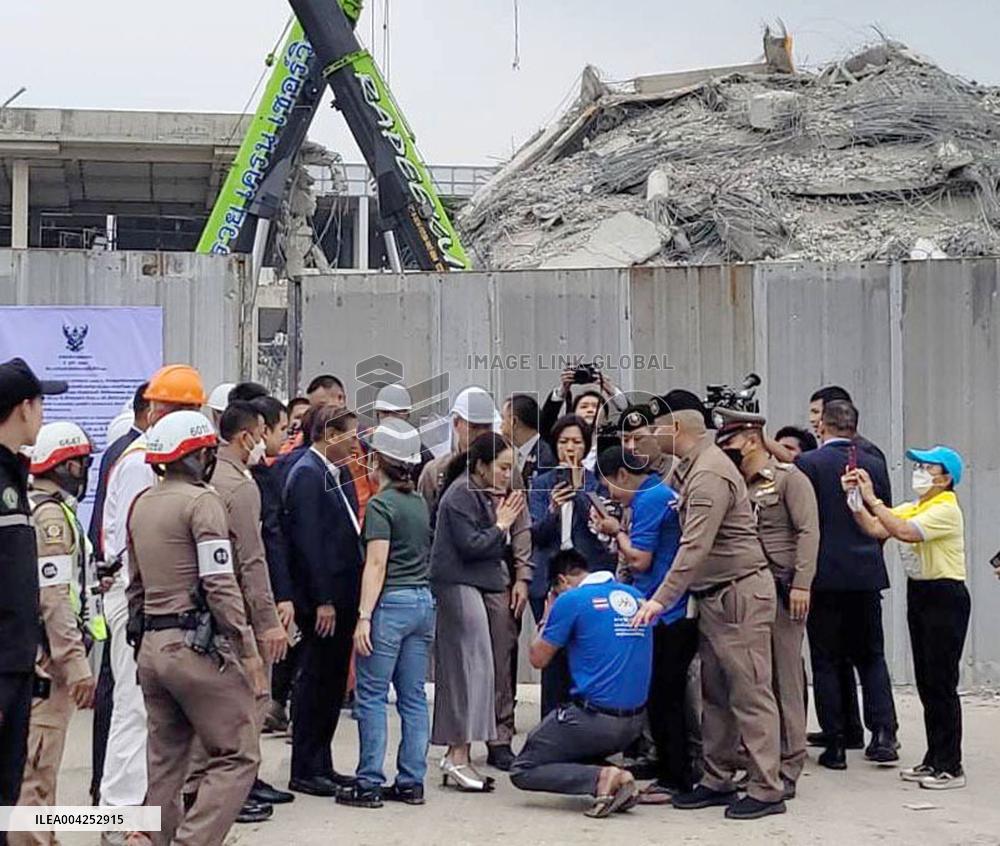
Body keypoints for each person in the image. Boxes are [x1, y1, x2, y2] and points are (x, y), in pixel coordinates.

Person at [633, 408, 785, 821]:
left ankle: (767, 787)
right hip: (716, 595)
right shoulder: (689, 468)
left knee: (750, 691)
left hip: (739, 593)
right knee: (715, 693)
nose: (652, 433)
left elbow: (694, 547)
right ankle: (718, 778)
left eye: (658, 427)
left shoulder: (709, 476)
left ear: (678, 430)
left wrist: (659, 600)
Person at [126, 410, 266, 846]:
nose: (210, 459)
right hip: (195, 649)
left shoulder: (142, 505)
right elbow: (220, 583)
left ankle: (152, 839)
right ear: (194, 455)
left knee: (166, 762)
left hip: (152, 646)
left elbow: (135, 587)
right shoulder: (202, 502)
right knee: (239, 752)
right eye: (206, 452)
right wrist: (248, 652)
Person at [99, 364, 207, 841]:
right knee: (134, 708)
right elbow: (143, 544)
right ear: (161, 410)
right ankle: (119, 817)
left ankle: (138, 815)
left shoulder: (145, 456)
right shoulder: (146, 462)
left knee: (148, 711)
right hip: (136, 595)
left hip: (139, 594)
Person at [184, 401, 291, 821]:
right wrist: (266, 623)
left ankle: (208, 791)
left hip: (202, 611)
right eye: (263, 432)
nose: (265, 442)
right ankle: (224, 795)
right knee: (243, 708)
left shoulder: (208, 477)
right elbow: (251, 559)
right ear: (246, 436)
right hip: (235, 612)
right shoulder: (240, 486)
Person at [844, 445, 970, 790]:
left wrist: (873, 498)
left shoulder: (946, 509)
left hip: (946, 594)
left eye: (928, 468)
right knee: (927, 681)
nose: (920, 471)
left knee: (942, 683)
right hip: (921, 594)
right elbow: (875, 527)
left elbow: (902, 531)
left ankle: (950, 765)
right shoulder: (917, 505)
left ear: (945, 478)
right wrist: (856, 498)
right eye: (918, 465)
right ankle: (933, 758)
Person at [715, 409, 819, 799]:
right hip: (745, 589)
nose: (727, 449)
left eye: (732, 441)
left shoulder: (789, 479)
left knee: (784, 678)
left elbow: (809, 531)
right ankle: (762, 761)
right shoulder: (735, 483)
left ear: (752, 438)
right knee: (753, 679)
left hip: (783, 588)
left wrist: (803, 584)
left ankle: (790, 761)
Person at [795, 400, 898, 769]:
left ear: (823, 426)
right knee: (871, 655)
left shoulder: (808, 464)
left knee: (825, 659)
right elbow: (885, 514)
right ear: (854, 425)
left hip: (823, 575)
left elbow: (801, 520)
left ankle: (835, 743)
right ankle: (883, 732)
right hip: (866, 573)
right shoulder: (873, 463)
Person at [509, 549, 648, 818]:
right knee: (564, 746)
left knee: (524, 767)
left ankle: (602, 777)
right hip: (635, 723)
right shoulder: (635, 596)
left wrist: (549, 614)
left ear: (562, 581)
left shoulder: (571, 600)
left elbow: (537, 658)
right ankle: (618, 777)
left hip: (593, 720)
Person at [340, 420, 435, 808]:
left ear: (378, 459)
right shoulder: (417, 503)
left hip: (391, 605)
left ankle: (369, 783)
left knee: (373, 695)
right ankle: (412, 781)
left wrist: (364, 616)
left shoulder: (381, 504)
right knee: (413, 696)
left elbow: (376, 564)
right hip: (422, 604)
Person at [10, 422, 96, 846]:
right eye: (80, 464)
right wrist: (75, 664)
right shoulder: (51, 519)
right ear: (64, 465)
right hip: (48, 666)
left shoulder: (46, 510)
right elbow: (54, 597)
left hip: (44, 659)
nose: (84, 472)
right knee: (34, 776)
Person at [593, 446, 694, 803]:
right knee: (665, 696)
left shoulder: (650, 499)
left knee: (665, 697)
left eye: (609, 487)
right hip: (669, 606)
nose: (609, 495)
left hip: (665, 610)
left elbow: (639, 559)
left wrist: (615, 530)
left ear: (622, 475)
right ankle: (669, 763)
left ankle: (675, 776)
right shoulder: (661, 493)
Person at [430, 433, 526, 791]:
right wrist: (501, 524)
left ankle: (460, 755)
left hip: (474, 586)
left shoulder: (478, 493)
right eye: (502, 467)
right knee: (465, 672)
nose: (507, 475)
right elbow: (471, 546)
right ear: (483, 465)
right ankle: (457, 755)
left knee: (477, 671)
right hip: (458, 586)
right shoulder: (461, 494)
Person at [0, 359, 65, 846]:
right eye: (41, 402)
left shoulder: (13, 477)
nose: (42, 413)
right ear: (23, 407)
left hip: (19, 665)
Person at [283, 406, 363, 796]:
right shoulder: (307, 476)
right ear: (329, 435)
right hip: (322, 601)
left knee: (333, 683)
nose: (355, 443)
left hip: (347, 595)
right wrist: (323, 599)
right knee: (315, 681)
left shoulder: (340, 473)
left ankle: (323, 762)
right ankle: (305, 765)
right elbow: (308, 543)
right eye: (350, 435)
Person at [527, 415, 615, 717]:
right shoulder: (540, 483)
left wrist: (578, 493)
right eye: (564, 442)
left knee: (584, 649)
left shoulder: (597, 483)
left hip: (586, 573)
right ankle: (550, 721)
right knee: (552, 652)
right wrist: (552, 509)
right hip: (550, 575)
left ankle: (583, 723)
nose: (570, 448)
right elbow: (535, 534)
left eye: (576, 442)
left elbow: (601, 533)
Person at [88, 381, 149, 803]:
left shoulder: (135, 455)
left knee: (130, 704)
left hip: (123, 595)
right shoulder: (136, 460)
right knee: (129, 706)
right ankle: (115, 812)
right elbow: (125, 540)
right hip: (127, 598)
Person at [250, 396, 296, 734]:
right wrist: (280, 597)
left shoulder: (261, 473)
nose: (285, 438)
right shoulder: (251, 480)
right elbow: (263, 545)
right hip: (253, 597)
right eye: (282, 429)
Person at [417, 386, 498, 520]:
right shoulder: (435, 471)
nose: (482, 433)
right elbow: (424, 522)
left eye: (487, 427)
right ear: (456, 423)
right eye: (474, 427)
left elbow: (521, 527)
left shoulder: (506, 469)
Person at [370, 384, 435, 484]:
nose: (390, 418)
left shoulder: (423, 456)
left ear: (407, 414)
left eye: (396, 413)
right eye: (385, 412)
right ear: (377, 414)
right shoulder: (366, 449)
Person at [501, 393, 556, 487]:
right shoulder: (507, 451)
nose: (500, 425)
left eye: (503, 418)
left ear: (514, 422)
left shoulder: (545, 458)